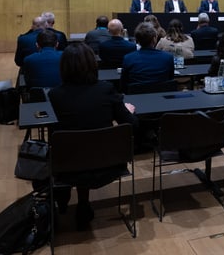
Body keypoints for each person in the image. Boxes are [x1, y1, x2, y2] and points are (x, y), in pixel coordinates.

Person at [47, 43, 137, 230]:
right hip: (109, 163)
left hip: (68, 166)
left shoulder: (55, 95)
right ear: (93, 65)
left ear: (63, 67)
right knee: (87, 146)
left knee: (74, 147)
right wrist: (125, 109)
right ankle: (81, 203)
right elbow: (132, 125)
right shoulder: (107, 89)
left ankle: (64, 200)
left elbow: (55, 134)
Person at [121, 22, 175, 90]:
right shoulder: (168, 57)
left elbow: (123, 85)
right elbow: (170, 80)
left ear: (137, 40)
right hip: (161, 96)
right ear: (154, 39)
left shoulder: (128, 58)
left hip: (136, 97)